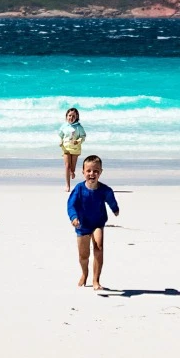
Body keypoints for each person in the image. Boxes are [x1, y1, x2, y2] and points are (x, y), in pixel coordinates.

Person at [67, 155, 119, 290]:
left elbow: (110, 198)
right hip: (82, 225)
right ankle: (84, 273)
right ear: (83, 172)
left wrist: (115, 209)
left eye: (96, 171)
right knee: (83, 256)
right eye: (89, 171)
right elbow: (71, 205)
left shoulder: (104, 189)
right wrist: (73, 217)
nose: (92, 174)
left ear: (101, 172)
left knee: (99, 247)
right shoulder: (79, 189)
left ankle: (96, 280)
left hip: (97, 224)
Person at [58, 107, 86, 191]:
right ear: (66, 116)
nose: (71, 117)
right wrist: (60, 141)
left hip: (75, 149)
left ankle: (72, 172)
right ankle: (67, 185)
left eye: (73, 116)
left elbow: (83, 136)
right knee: (67, 166)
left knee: (72, 168)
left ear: (77, 117)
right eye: (69, 115)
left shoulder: (79, 127)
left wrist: (78, 141)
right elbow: (61, 135)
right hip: (65, 147)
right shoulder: (64, 126)